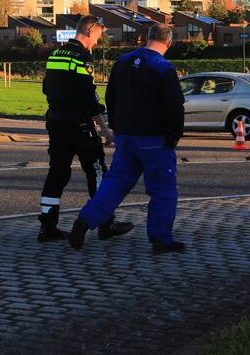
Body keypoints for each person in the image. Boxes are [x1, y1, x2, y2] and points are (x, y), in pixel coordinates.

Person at [69, 23, 186, 254]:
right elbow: (174, 107)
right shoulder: (164, 68)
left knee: (116, 183)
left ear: (145, 37)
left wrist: (116, 126)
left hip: (125, 136)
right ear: (169, 43)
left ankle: (85, 220)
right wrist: (173, 136)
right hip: (154, 138)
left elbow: (110, 98)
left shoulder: (122, 62)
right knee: (162, 188)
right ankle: (160, 238)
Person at [37, 15, 134, 242]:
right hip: (78, 123)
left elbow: (46, 88)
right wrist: (104, 129)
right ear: (90, 31)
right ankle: (105, 223)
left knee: (57, 173)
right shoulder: (82, 57)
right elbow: (88, 97)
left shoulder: (56, 53)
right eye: (99, 37)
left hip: (56, 121)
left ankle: (47, 227)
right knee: (97, 171)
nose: (98, 42)